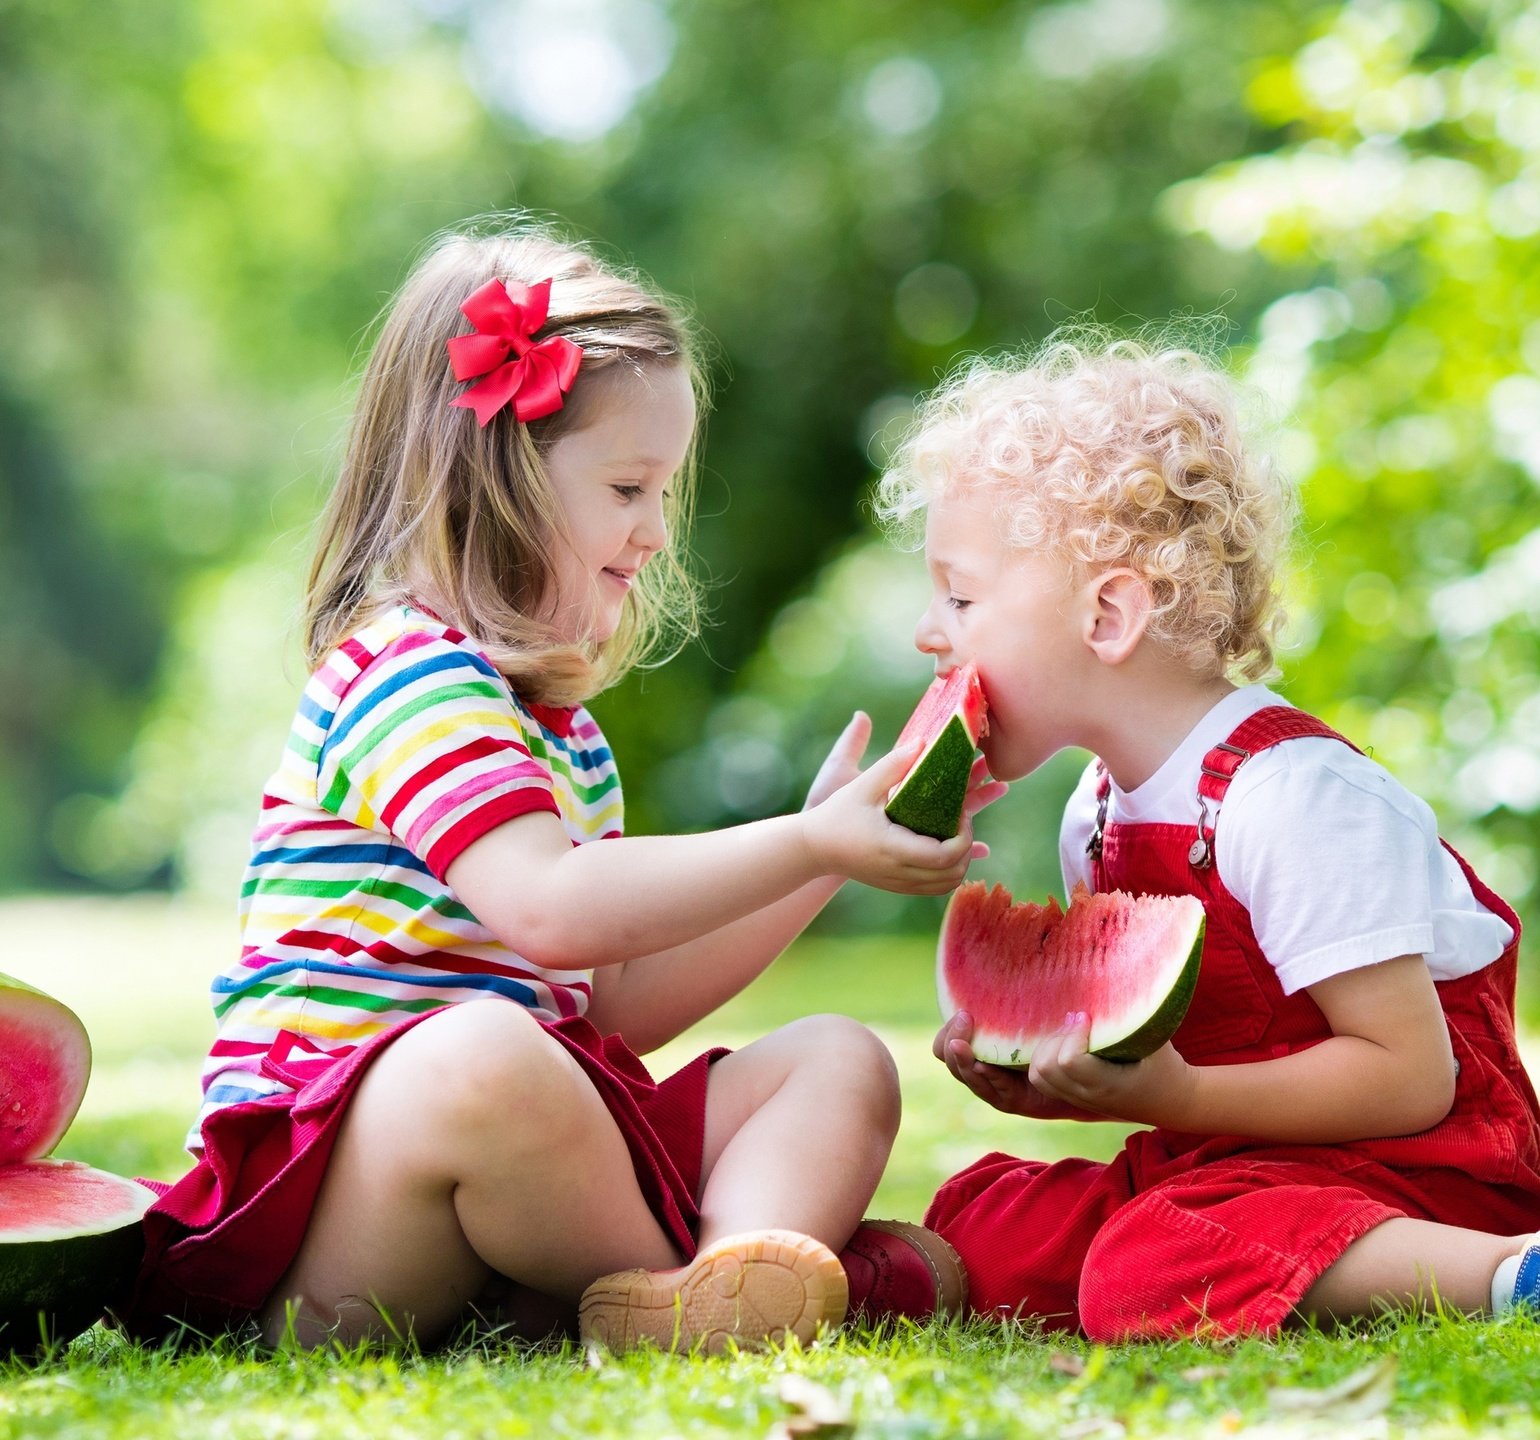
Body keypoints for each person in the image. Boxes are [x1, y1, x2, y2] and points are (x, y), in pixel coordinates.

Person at [133, 221, 981, 1354]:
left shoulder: (560, 734)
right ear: (493, 472)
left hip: (523, 1183)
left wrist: (822, 864)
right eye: (629, 486)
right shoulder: (408, 674)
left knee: (838, 1059)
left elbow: (612, 1007)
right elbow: (545, 903)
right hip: (334, 1222)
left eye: (664, 490)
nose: (652, 530)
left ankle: (716, 1284)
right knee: (485, 1053)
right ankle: (704, 1283)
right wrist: (806, 841)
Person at [879, 334, 1540, 1341]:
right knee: (989, 1213)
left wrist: (1182, 1092)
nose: (928, 631)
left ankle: (1525, 1273)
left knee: (1144, 1262)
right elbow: (1153, 1060)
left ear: (1109, 612)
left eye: (960, 596)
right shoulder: (1099, 811)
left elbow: (1407, 1079)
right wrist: (1054, 1081)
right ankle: (866, 1276)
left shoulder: (1290, 798)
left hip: (1418, 1173)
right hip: (1232, 1163)